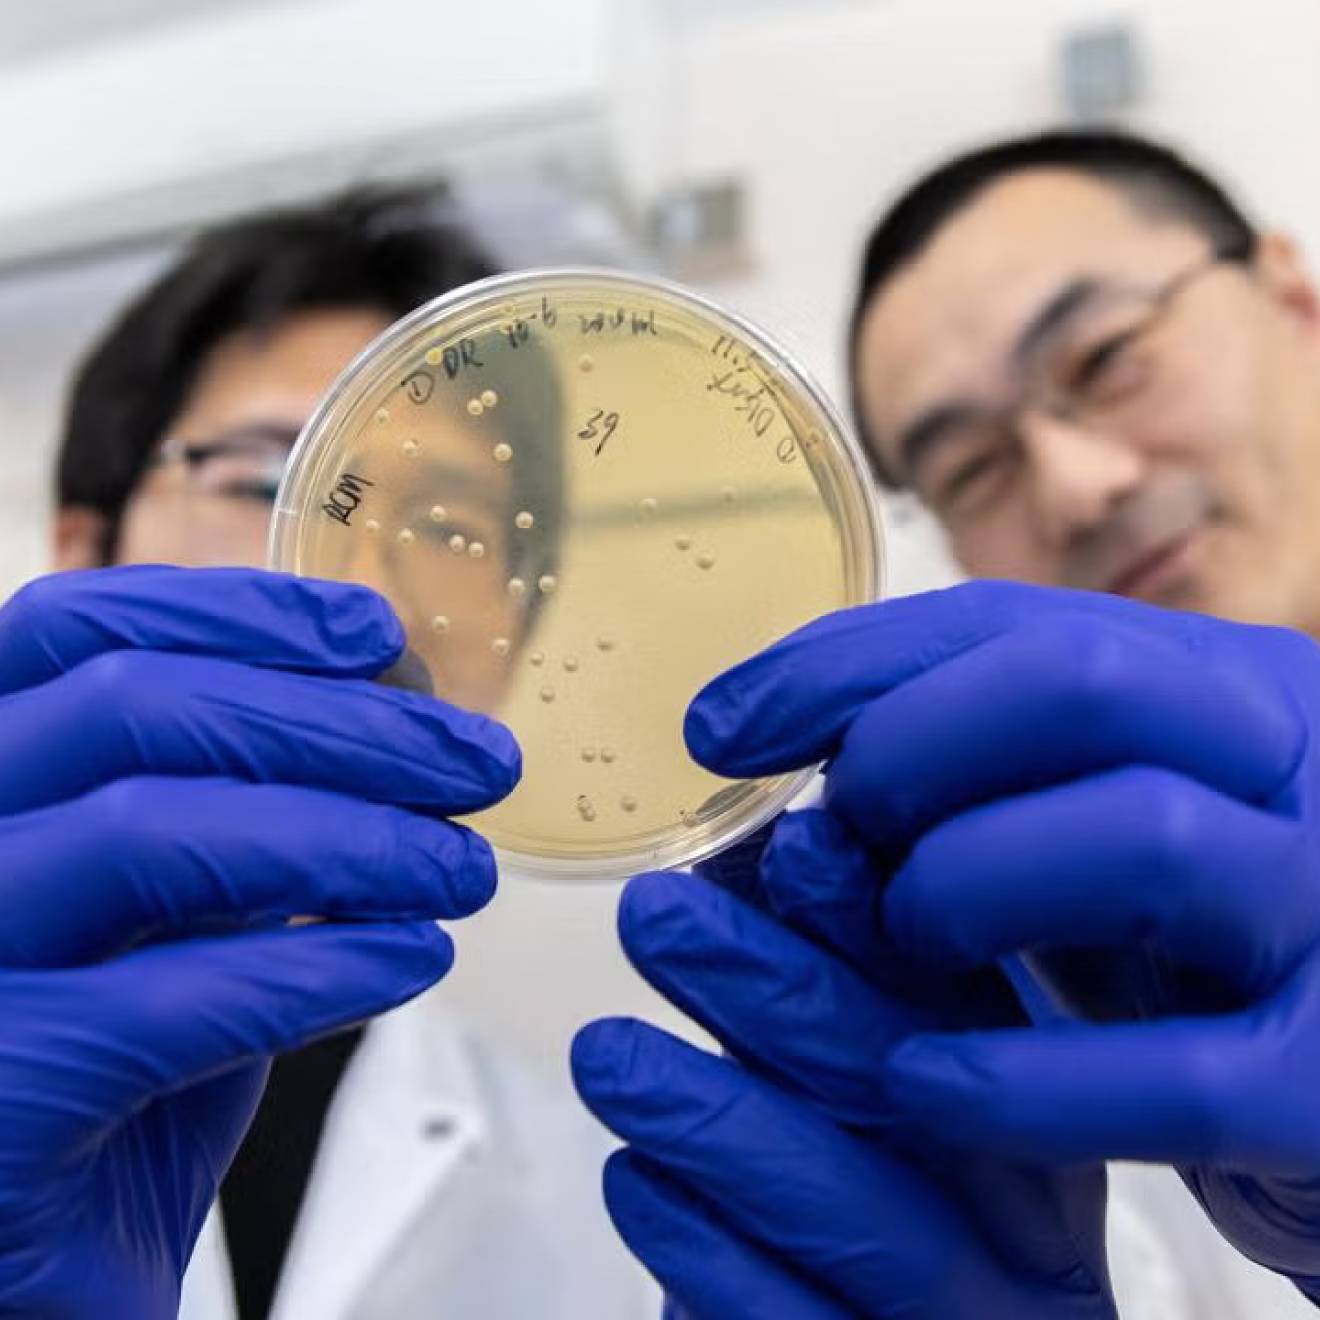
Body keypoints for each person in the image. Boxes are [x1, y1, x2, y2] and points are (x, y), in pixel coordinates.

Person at [571, 131, 1320, 1317]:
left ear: (1293, 299)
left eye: (1111, 354)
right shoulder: (1002, 982)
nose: (1077, 485)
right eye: (972, 468)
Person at [51, 190, 650, 1319]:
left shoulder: (614, 1204)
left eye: (453, 525)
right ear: (82, 563)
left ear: (515, 633)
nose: (356, 578)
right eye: (270, 484)